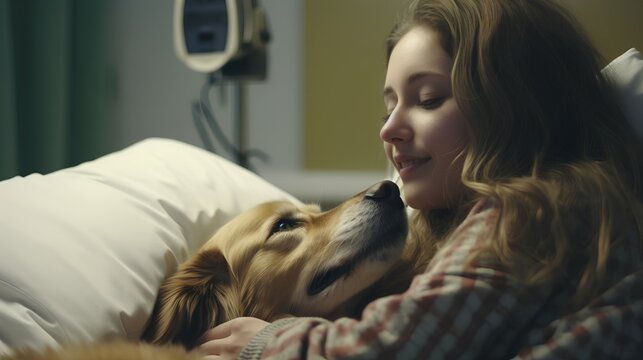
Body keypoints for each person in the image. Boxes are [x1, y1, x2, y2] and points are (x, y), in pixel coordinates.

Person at [198, 0, 643, 358]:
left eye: (427, 100)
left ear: (513, 110)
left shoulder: (529, 210)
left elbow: (391, 347)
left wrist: (268, 343)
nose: (387, 129)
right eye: (388, 107)